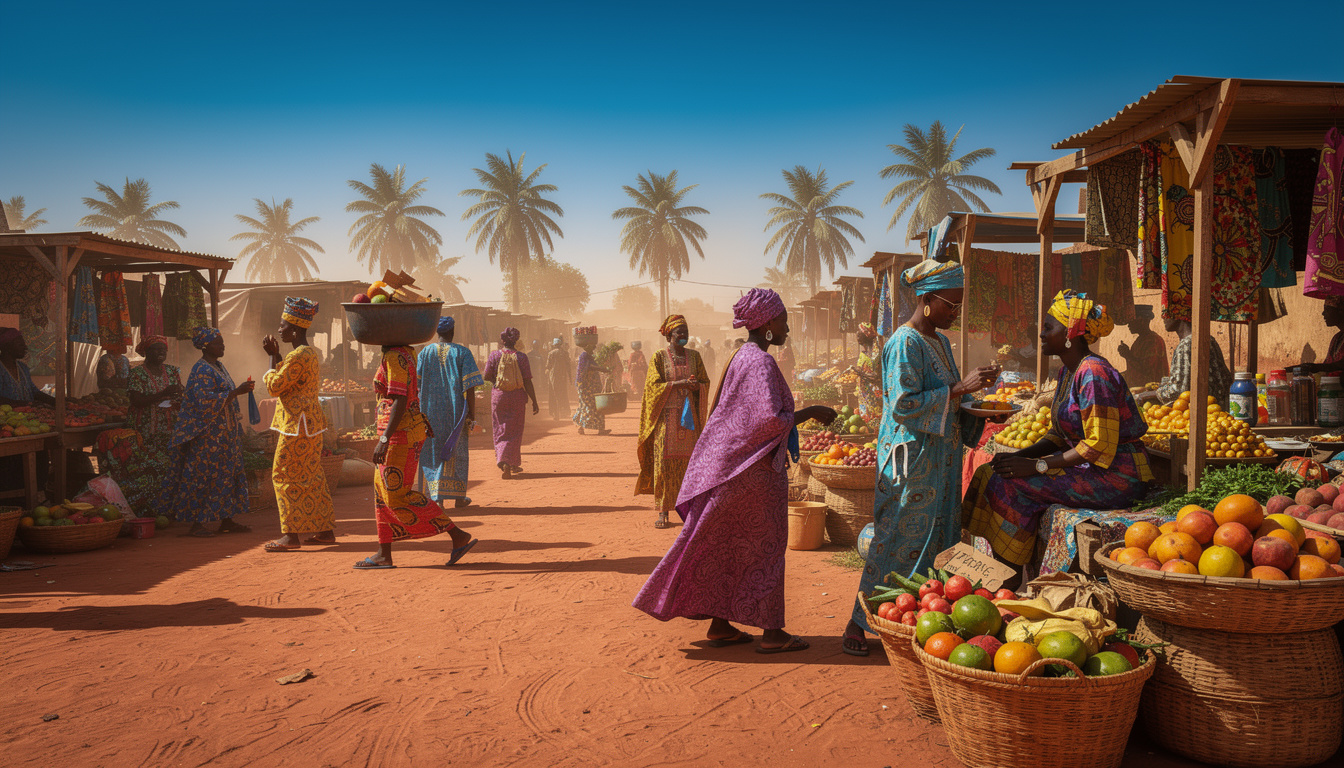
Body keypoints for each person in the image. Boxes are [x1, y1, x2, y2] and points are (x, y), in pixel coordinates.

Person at [633, 288, 837, 654]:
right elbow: (768, 420)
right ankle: (773, 634)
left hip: (728, 468)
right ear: (768, 324)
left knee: (725, 546)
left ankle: (721, 625)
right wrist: (810, 412)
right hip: (751, 472)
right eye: (784, 322)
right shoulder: (760, 361)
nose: (788, 329)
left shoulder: (741, 356)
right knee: (766, 547)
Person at [840, 262, 1000, 656]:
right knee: (896, 540)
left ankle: (921, 622)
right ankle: (859, 623)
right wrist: (961, 388)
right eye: (951, 305)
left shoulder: (941, 343)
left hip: (941, 461)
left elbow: (950, 394)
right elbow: (902, 405)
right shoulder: (903, 343)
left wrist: (981, 404)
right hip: (910, 464)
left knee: (938, 542)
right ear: (927, 300)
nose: (955, 313)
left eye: (959, 305)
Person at [964, 290, 1154, 568]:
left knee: (1010, 485)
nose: (1041, 334)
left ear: (1070, 334)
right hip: (1091, 469)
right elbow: (1058, 434)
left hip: (1116, 476)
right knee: (988, 471)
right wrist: (1025, 455)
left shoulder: (1093, 374)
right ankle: (995, 562)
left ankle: (1011, 572)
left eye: (1048, 328)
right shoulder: (1068, 371)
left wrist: (1037, 466)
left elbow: (1097, 445)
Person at [356, 342, 475, 569]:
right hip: (403, 432)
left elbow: (400, 398)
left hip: (400, 436)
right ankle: (384, 552)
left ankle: (456, 534)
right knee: (383, 493)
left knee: (396, 495)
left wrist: (384, 439)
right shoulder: (407, 352)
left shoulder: (394, 356)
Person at [260, 298, 336, 552]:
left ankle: (290, 536)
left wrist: (272, 358)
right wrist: (279, 356)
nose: (279, 330)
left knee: (282, 475)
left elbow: (274, 386)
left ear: (295, 330)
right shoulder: (307, 354)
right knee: (311, 476)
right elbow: (289, 379)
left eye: (283, 326)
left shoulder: (298, 356)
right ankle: (325, 531)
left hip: (298, 425)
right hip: (310, 424)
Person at [168, 327, 253, 538]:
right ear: (205, 346)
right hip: (208, 435)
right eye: (218, 343)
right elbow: (204, 401)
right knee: (203, 476)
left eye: (222, 342)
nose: (223, 346)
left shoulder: (218, 366)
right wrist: (236, 392)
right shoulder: (201, 370)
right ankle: (197, 523)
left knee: (226, 475)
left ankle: (227, 519)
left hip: (226, 434)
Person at [635, 315, 711, 529]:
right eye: (680, 332)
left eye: (686, 332)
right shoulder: (659, 357)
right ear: (669, 335)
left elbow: (705, 381)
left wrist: (698, 387)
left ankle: (692, 511)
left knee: (691, 464)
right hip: (667, 421)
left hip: (689, 421)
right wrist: (678, 384)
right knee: (664, 465)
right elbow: (652, 387)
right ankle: (663, 511)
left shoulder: (695, 357)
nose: (684, 335)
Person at [113, 335, 183, 516]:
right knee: (148, 468)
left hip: (169, 428)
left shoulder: (173, 371)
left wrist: (179, 399)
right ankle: (148, 509)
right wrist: (163, 394)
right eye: (156, 349)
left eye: (163, 349)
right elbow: (137, 401)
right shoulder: (137, 373)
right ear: (146, 352)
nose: (161, 352)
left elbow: (179, 392)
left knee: (170, 467)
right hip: (145, 431)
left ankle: (168, 507)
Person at [418, 316, 483, 505]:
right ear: (452, 332)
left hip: (429, 411)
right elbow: (470, 387)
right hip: (455, 412)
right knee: (456, 451)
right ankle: (458, 497)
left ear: (437, 333)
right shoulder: (463, 353)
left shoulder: (424, 353)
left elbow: (418, 384)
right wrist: (472, 413)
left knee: (431, 451)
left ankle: (434, 498)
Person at [1135, 314, 1233, 407]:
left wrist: (1147, 395)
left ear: (1179, 315)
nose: (1163, 318)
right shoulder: (1208, 339)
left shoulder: (1186, 345)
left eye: (1167, 313)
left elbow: (1179, 390)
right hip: (1219, 409)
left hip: (1204, 413)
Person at [483, 327, 539, 479]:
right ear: (516, 340)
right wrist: (534, 400)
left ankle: (503, 460)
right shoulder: (522, 357)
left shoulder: (494, 355)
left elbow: (487, 375)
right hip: (517, 397)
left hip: (499, 397)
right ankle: (512, 462)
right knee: (515, 430)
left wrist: (497, 380)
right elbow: (527, 381)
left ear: (502, 340)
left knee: (500, 429)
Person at [1116, 306, 1169, 388]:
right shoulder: (1139, 341)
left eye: (1131, 320)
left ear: (1142, 321)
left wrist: (1128, 355)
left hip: (1151, 393)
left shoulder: (1153, 341)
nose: (1128, 324)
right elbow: (1134, 370)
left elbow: (1147, 370)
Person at [0, 327, 55, 406]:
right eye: (20, 345)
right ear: (6, 347)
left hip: (27, 417)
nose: (25, 348)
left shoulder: (23, 368)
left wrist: (57, 402)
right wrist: (27, 404)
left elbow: (34, 392)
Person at [573, 331, 611, 435]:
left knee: (594, 406)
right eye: (592, 346)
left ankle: (599, 429)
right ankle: (582, 427)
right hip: (586, 386)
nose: (594, 348)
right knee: (588, 405)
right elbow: (589, 367)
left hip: (592, 385)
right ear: (588, 346)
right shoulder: (584, 356)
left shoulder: (591, 356)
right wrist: (603, 369)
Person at [1297, 297, 1344, 374]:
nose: (1323, 313)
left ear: (1341, 311)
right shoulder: (1337, 338)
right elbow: (1328, 365)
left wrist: (1316, 367)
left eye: (1327, 309)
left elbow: (1340, 365)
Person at [851, 322, 883, 421]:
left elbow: (876, 376)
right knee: (866, 422)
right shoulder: (864, 352)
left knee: (874, 420)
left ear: (866, 335)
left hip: (873, 395)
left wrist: (860, 373)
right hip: (864, 394)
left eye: (860, 332)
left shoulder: (875, 354)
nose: (857, 334)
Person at [546, 338, 572, 420]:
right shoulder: (565, 353)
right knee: (563, 394)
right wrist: (570, 378)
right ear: (560, 344)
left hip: (553, 377)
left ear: (554, 345)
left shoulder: (551, 353)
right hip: (562, 377)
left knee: (554, 395)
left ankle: (555, 414)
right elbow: (568, 367)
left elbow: (548, 366)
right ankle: (563, 412)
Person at [527, 339, 548, 414]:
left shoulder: (528, 355)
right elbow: (543, 366)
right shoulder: (540, 356)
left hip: (531, 375)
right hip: (536, 375)